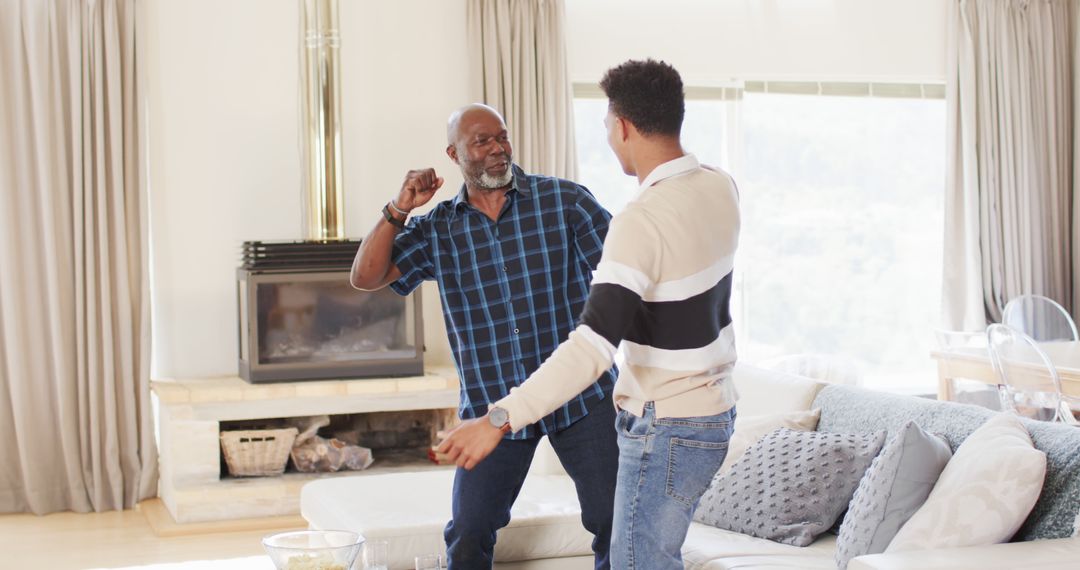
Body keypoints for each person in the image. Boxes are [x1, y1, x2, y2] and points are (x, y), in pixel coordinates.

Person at [437, 59, 741, 570]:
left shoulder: (639, 220)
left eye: (605, 123)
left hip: (665, 419)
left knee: (636, 561)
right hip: (714, 415)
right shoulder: (720, 185)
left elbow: (592, 348)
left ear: (622, 126)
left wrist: (498, 417)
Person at [349, 103, 619, 570]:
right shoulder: (438, 229)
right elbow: (365, 277)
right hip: (491, 408)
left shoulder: (565, 202)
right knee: (470, 530)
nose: (498, 149)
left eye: (502, 137)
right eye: (482, 141)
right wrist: (399, 211)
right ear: (454, 154)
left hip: (578, 395)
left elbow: (625, 269)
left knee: (613, 519)